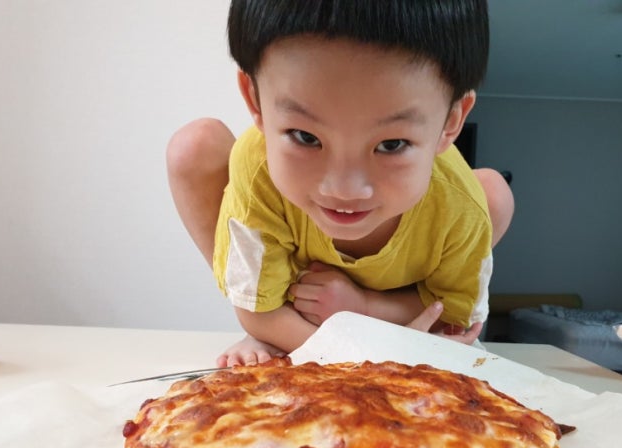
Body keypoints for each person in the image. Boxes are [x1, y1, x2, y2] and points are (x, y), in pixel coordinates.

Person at [167, 0, 514, 367]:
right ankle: (274, 317)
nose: (344, 190)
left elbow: (454, 321)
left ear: (451, 122)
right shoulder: (257, 168)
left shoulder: (460, 204)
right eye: (305, 137)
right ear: (255, 100)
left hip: (393, 311)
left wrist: (366, 309)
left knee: (494, 195)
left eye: (391, 144)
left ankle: (293, 333)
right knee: (194, 146)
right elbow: (257, 314)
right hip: (300, 308)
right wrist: (374, 354)